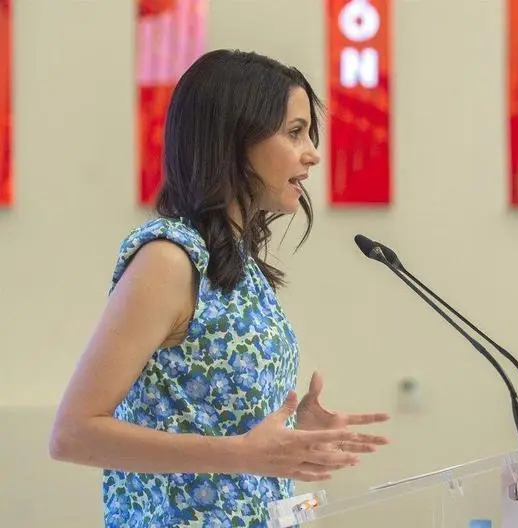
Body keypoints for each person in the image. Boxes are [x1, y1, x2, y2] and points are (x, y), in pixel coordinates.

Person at [49, 49, 391, 527]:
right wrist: (241, 454)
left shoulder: (235, 262)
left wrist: (296, 429)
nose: (312, 152)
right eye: (295, 132)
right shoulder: (168, 259)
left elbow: (213, 421)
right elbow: (72, 434)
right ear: (233, 140)